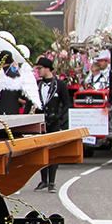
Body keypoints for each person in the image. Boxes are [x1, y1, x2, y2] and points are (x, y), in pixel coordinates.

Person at [31, 56, 72, 192]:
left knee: (53, 152)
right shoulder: (37, 84)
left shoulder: (60, 84)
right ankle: (43, 180)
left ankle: (52, 182)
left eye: (40, 68)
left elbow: (66, 104)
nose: (38, 71)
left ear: (47, 69)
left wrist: (59, 117)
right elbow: (32, 102)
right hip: (41, 121)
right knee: (40, 151)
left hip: (54, 121)